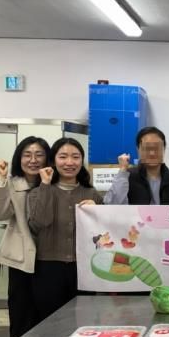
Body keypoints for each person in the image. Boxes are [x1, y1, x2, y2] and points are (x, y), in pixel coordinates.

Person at [27, 137, 103, 323]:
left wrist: (97, 211)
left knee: (84, 321)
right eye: (63, 157)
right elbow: (39, 223)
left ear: (82, 161)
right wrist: (45, 185)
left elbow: (104, 234)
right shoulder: (38, 191)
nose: (69, 162)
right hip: (48, 267)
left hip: (84, 268)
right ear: (53, 161)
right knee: (50, 323)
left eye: (75, 157)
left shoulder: (92, 193)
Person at [0, 136, 50, 337]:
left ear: (47, 158)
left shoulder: (53, 184)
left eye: (39, 155)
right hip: (20, 261)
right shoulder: (10, 184)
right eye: (27, 155)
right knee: (21, 316)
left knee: (48, 316)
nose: (33, 160)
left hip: (50, 259)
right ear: (19, 158)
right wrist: (1, 180)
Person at [104, 126, 169, 205]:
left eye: (156, 148)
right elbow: (112, 205)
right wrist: (123, 170)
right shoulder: (128, 176)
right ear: (138, 150)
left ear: (164, 149)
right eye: (147, 148)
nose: (152, 153)